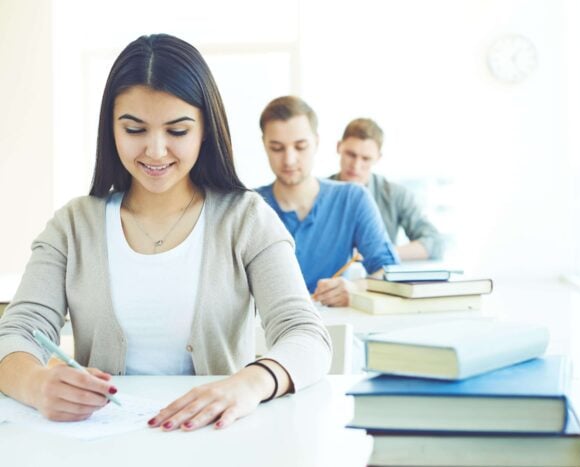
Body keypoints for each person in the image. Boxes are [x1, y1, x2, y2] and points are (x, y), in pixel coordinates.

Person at [0, 34, 330, 431]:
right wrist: (36, 383)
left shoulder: (246, 218)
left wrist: (251, 383)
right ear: (111, 129)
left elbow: (307, 334)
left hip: (217, 440)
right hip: (104, 446)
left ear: (206, 130)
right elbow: (15, 333)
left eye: (177, 131)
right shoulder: (73, 225)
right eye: (135, 129)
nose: (156, 151)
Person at [256, 96, 399, 307]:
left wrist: (356, 288)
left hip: (333, 328)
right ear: (265, 145)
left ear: (317, 142)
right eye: (277, 148)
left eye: (300, 146)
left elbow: (390, 273)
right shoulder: (249, 207)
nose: (289, 159)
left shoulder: (352, 199)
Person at [330, 118, 444, 261]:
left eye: (366, 159)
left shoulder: (395, 195)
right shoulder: (317, 192)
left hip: (377, 281)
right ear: (338, 147)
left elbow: (435, 243)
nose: (356, 165)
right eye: (351, 155)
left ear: (378, 158)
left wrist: (382, 253)